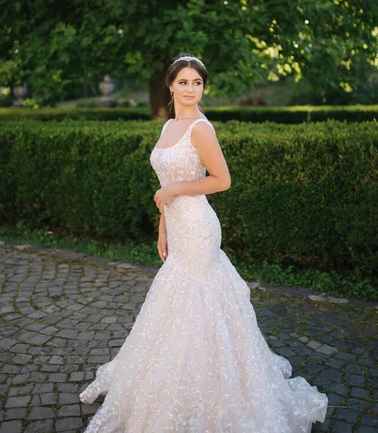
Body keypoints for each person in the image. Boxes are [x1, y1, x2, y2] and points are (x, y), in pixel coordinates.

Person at [79, 54, 328, 432]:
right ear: (171, 85)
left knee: (198, 299)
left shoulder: (200, 128)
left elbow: (222, 179)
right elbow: (165, 185)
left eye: (197, 83)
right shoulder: (168, 127)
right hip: (177, 226)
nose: (191, 89)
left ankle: (213, 385)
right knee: (176, 299)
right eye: (184, 82)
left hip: (198, 226)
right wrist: (163, 227)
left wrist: (176, 189)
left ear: (202, 87)